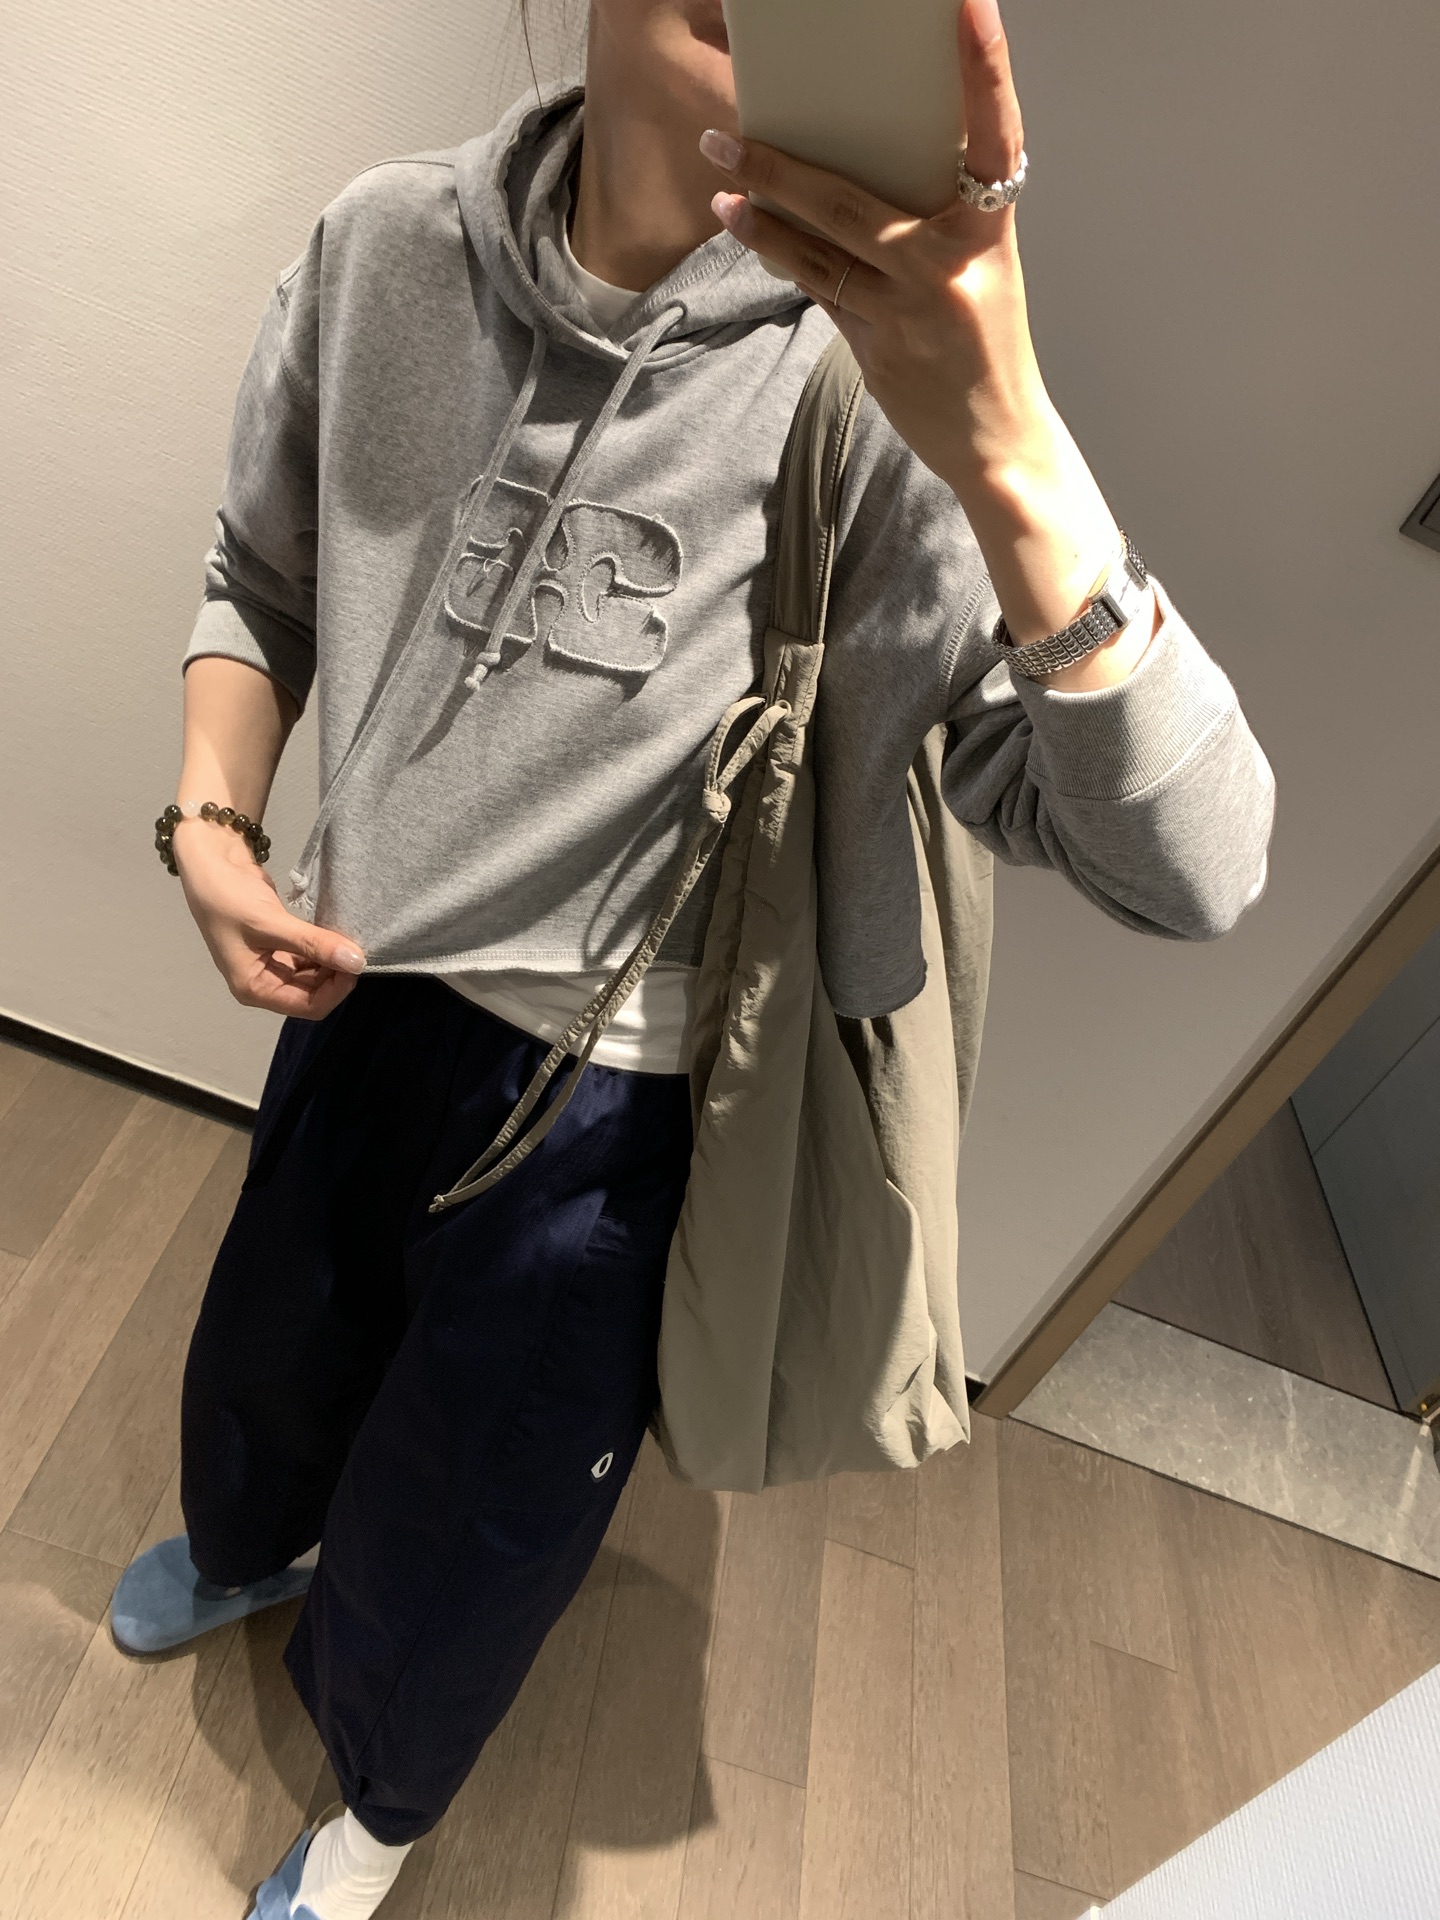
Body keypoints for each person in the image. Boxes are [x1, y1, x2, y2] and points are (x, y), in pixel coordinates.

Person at [113, 2, 1275, 1914]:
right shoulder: (385, 244)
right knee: (270, 1355)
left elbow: (1196, 868)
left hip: (612, 1102)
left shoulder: (879, 395)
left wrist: (1007, 437)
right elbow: (262, 572)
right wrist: (211, 818)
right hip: (355, 990)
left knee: (474, 1522)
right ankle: (252, 1545)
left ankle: (378, 1818)